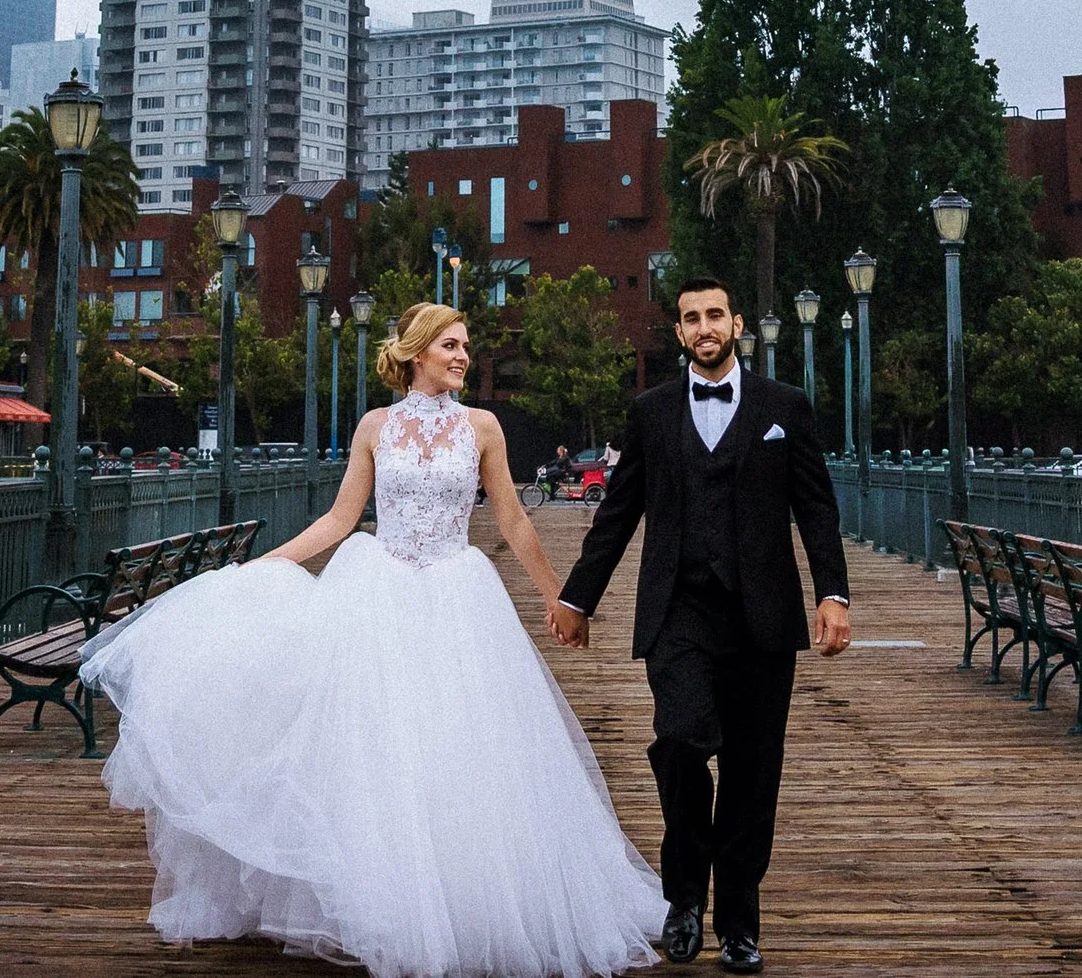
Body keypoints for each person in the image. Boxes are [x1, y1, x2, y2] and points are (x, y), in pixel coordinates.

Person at [80, 302, 666, 978]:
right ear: (418, 352)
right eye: (451, 344)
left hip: (456, 595)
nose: (464, 355)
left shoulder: (483, 426)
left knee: (460, 750)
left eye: (466, 345)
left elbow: (510, 519)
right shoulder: (374, 427)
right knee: (375, 752)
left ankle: (465, 900)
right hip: (378, 590)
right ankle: (387, 902)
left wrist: (561, 596)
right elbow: (339, 518)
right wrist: (266, 564)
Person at [552, 278, 851, 976]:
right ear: (680, 330)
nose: (705, 326)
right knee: (682, 742)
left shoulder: (786, 408)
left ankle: (739, 922)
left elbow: (817, 508)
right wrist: (578, 596)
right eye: (692, 317)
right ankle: (683, 896)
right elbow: (618, 512)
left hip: (764, 618)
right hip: (679, 611)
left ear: (736, 322)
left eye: (715, 313)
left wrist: (833, 593)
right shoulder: (651, 413)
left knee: (753, 769)